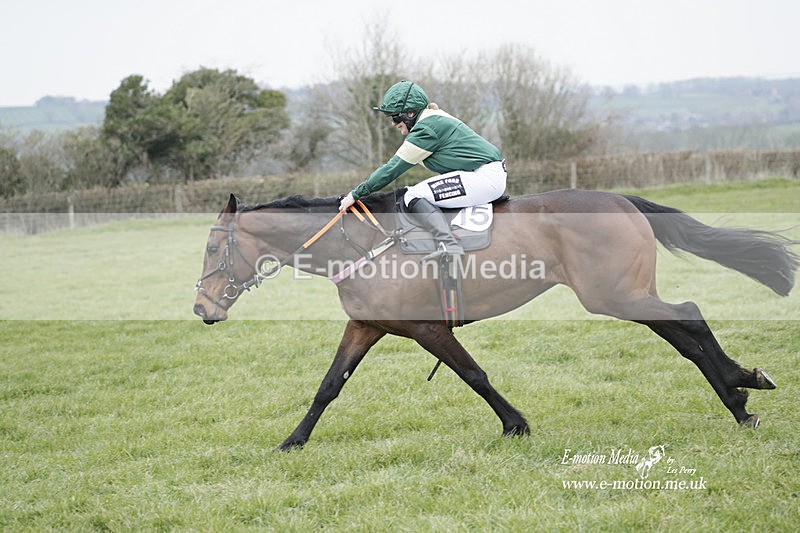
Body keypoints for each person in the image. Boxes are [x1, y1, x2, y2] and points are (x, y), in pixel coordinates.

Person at [338, 80, 506, 260]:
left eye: (395, 117)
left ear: (410, 114)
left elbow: (391, 169)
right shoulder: (431, 119)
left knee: (412, 196)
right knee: (420, 193)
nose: (394, 124)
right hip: (484, 176)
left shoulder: (426, 129)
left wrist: (355, 194)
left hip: (484, 177)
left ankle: (449, 245)